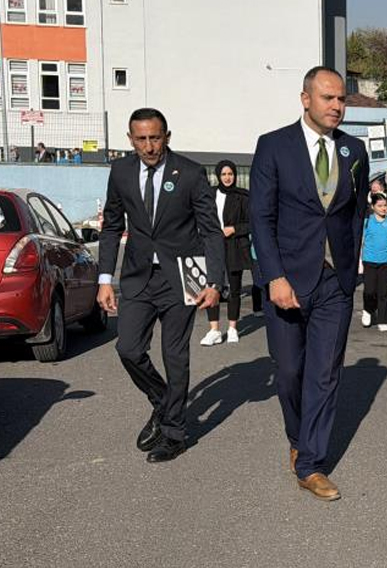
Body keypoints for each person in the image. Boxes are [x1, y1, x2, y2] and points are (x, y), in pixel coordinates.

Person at [249, 66, 369, 501]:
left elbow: (353, 214)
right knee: (290, 371)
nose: (337, 106)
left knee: (324, 374)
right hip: (286, 280)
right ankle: (298, 436)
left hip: (333, 283)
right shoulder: (273, 146)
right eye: (328, 98)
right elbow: (260, 218)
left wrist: (350, 268)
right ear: (305, 100)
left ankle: (311, 463)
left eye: (341, 99)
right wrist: (274, 276)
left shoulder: (354, 150)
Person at [95, 107, 224, 463]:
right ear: (130, 139)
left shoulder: (191, 173)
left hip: (183, 276)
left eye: (155, 138)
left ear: (167, 136)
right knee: (128, 349)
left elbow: (211, 231)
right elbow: (110, 226)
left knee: (174, 355)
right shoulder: (120, 171)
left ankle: (174, 433)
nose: (149, 146)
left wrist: (215, 281)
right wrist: (105, 279)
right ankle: (164, 402)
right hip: (138, 275)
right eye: (142, 139)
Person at [200, 160, 254, 346]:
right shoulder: (209, 194)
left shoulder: (243, 196)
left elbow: (252, 222)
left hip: (235, 247)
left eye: (230, 174)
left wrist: (234, 229)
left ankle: (232, 328)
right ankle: (214, 329)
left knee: (234, 289)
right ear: (218, 175)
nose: (227, 177)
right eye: (223, 174)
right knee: (212, 286)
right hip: (213, 248)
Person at [360, 192, 387, 331]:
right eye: (380, 206)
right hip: (369, 260)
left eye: (386, 205)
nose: (383, 208)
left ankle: (382, 320)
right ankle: (368, 309)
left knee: (383, 291)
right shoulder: (367, 221)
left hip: (386, 262)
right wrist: (360, 259)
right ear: (373, 206)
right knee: (369, 291)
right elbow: (362, 240)